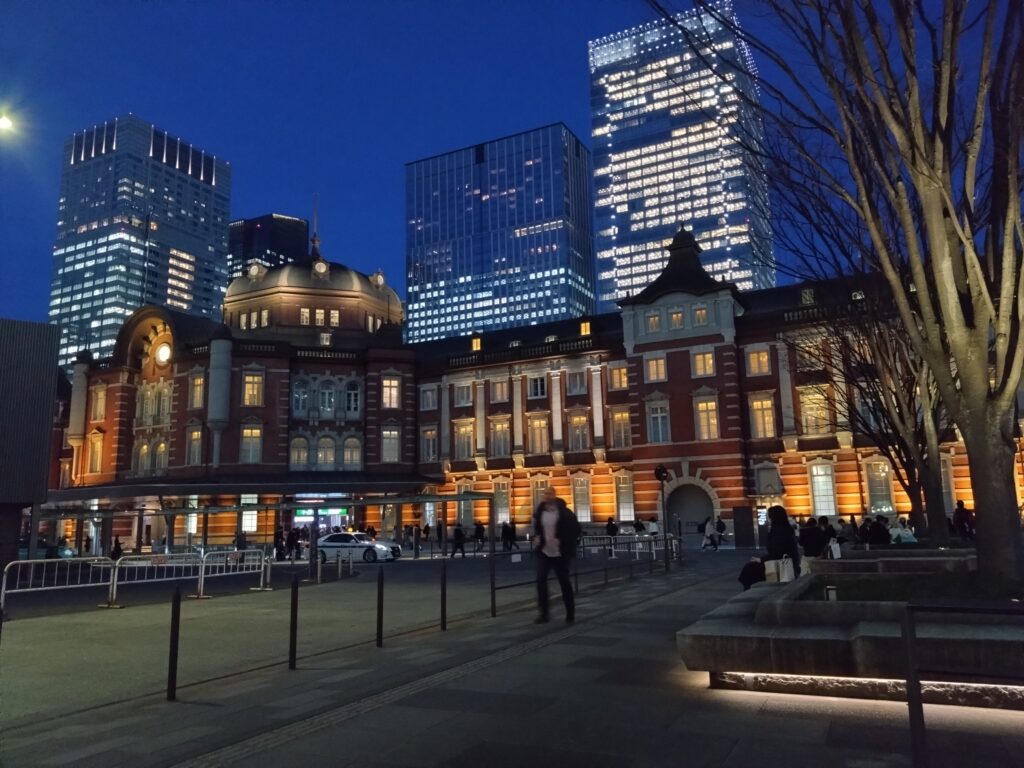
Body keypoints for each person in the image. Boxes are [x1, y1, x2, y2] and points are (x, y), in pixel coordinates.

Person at [532, 486, 580, 624]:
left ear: (554, 495)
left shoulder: (565, 513)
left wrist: (563, 540)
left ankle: (570, 614)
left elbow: (576, 530)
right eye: (544, 493)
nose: (546, 496)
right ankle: (544, 614)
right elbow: (538, 529)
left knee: (564, 582)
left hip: (561, 553)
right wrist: (537, 537)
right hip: (544, 552)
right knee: (540, 581)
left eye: (549, 493)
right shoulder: (540, 512)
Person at [738, 505, 800, 590]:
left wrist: (761, 560)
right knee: (750, 569)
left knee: (749, 569)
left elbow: (777, 553)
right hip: (787, 562)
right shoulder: (785, 528)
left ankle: (747, 593)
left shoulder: (778, 530)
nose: (768, 519)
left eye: (769, 516)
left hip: (780, 564)